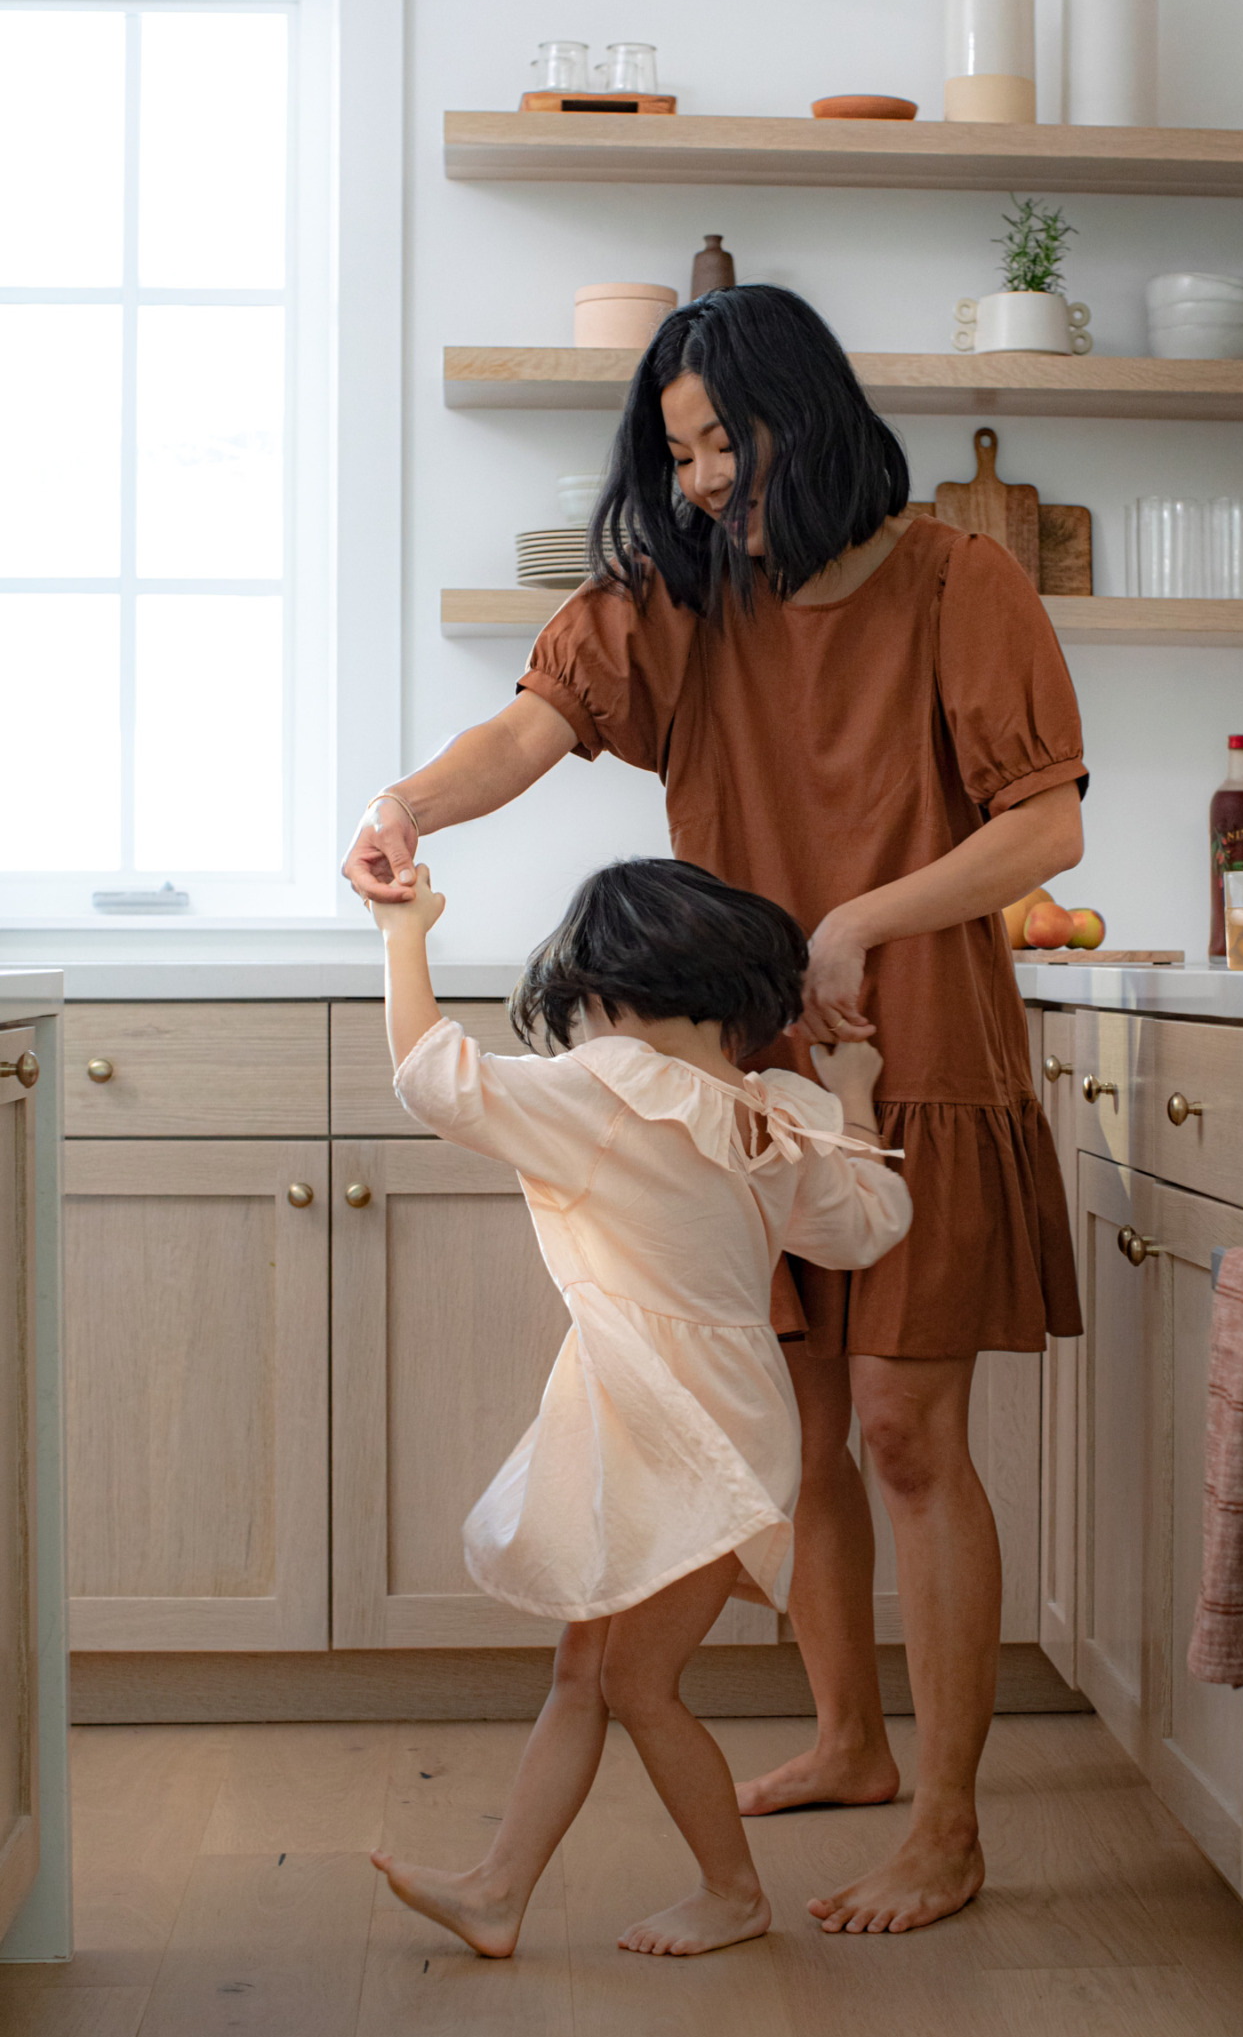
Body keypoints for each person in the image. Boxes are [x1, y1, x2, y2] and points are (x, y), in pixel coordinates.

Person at [345, 284, 1085, 1935]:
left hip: (916, 1060)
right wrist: (403, 801)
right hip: (734, 1081)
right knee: (794, 1435)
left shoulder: (960, 583)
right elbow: (528, 730)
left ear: (799, 420)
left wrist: (860, 924)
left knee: (904, 1434)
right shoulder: (676, 604)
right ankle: (847, 1742)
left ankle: (950, 1824)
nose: (692, 480)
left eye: (717, 443)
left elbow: (1046, 830)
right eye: (673, 452)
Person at [367, 854, 912, 1958]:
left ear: (608, 998)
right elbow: (865, 1229)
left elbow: (432, 1076)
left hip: (683, 1436)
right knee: (591, 1669)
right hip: (720, 1423)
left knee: (636, 1680)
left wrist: (404, 931)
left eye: (581, 1007)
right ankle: (497, 1890)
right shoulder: (774, 1112)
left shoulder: (601, 1091)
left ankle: (733, 1893)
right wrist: (852, 1095)